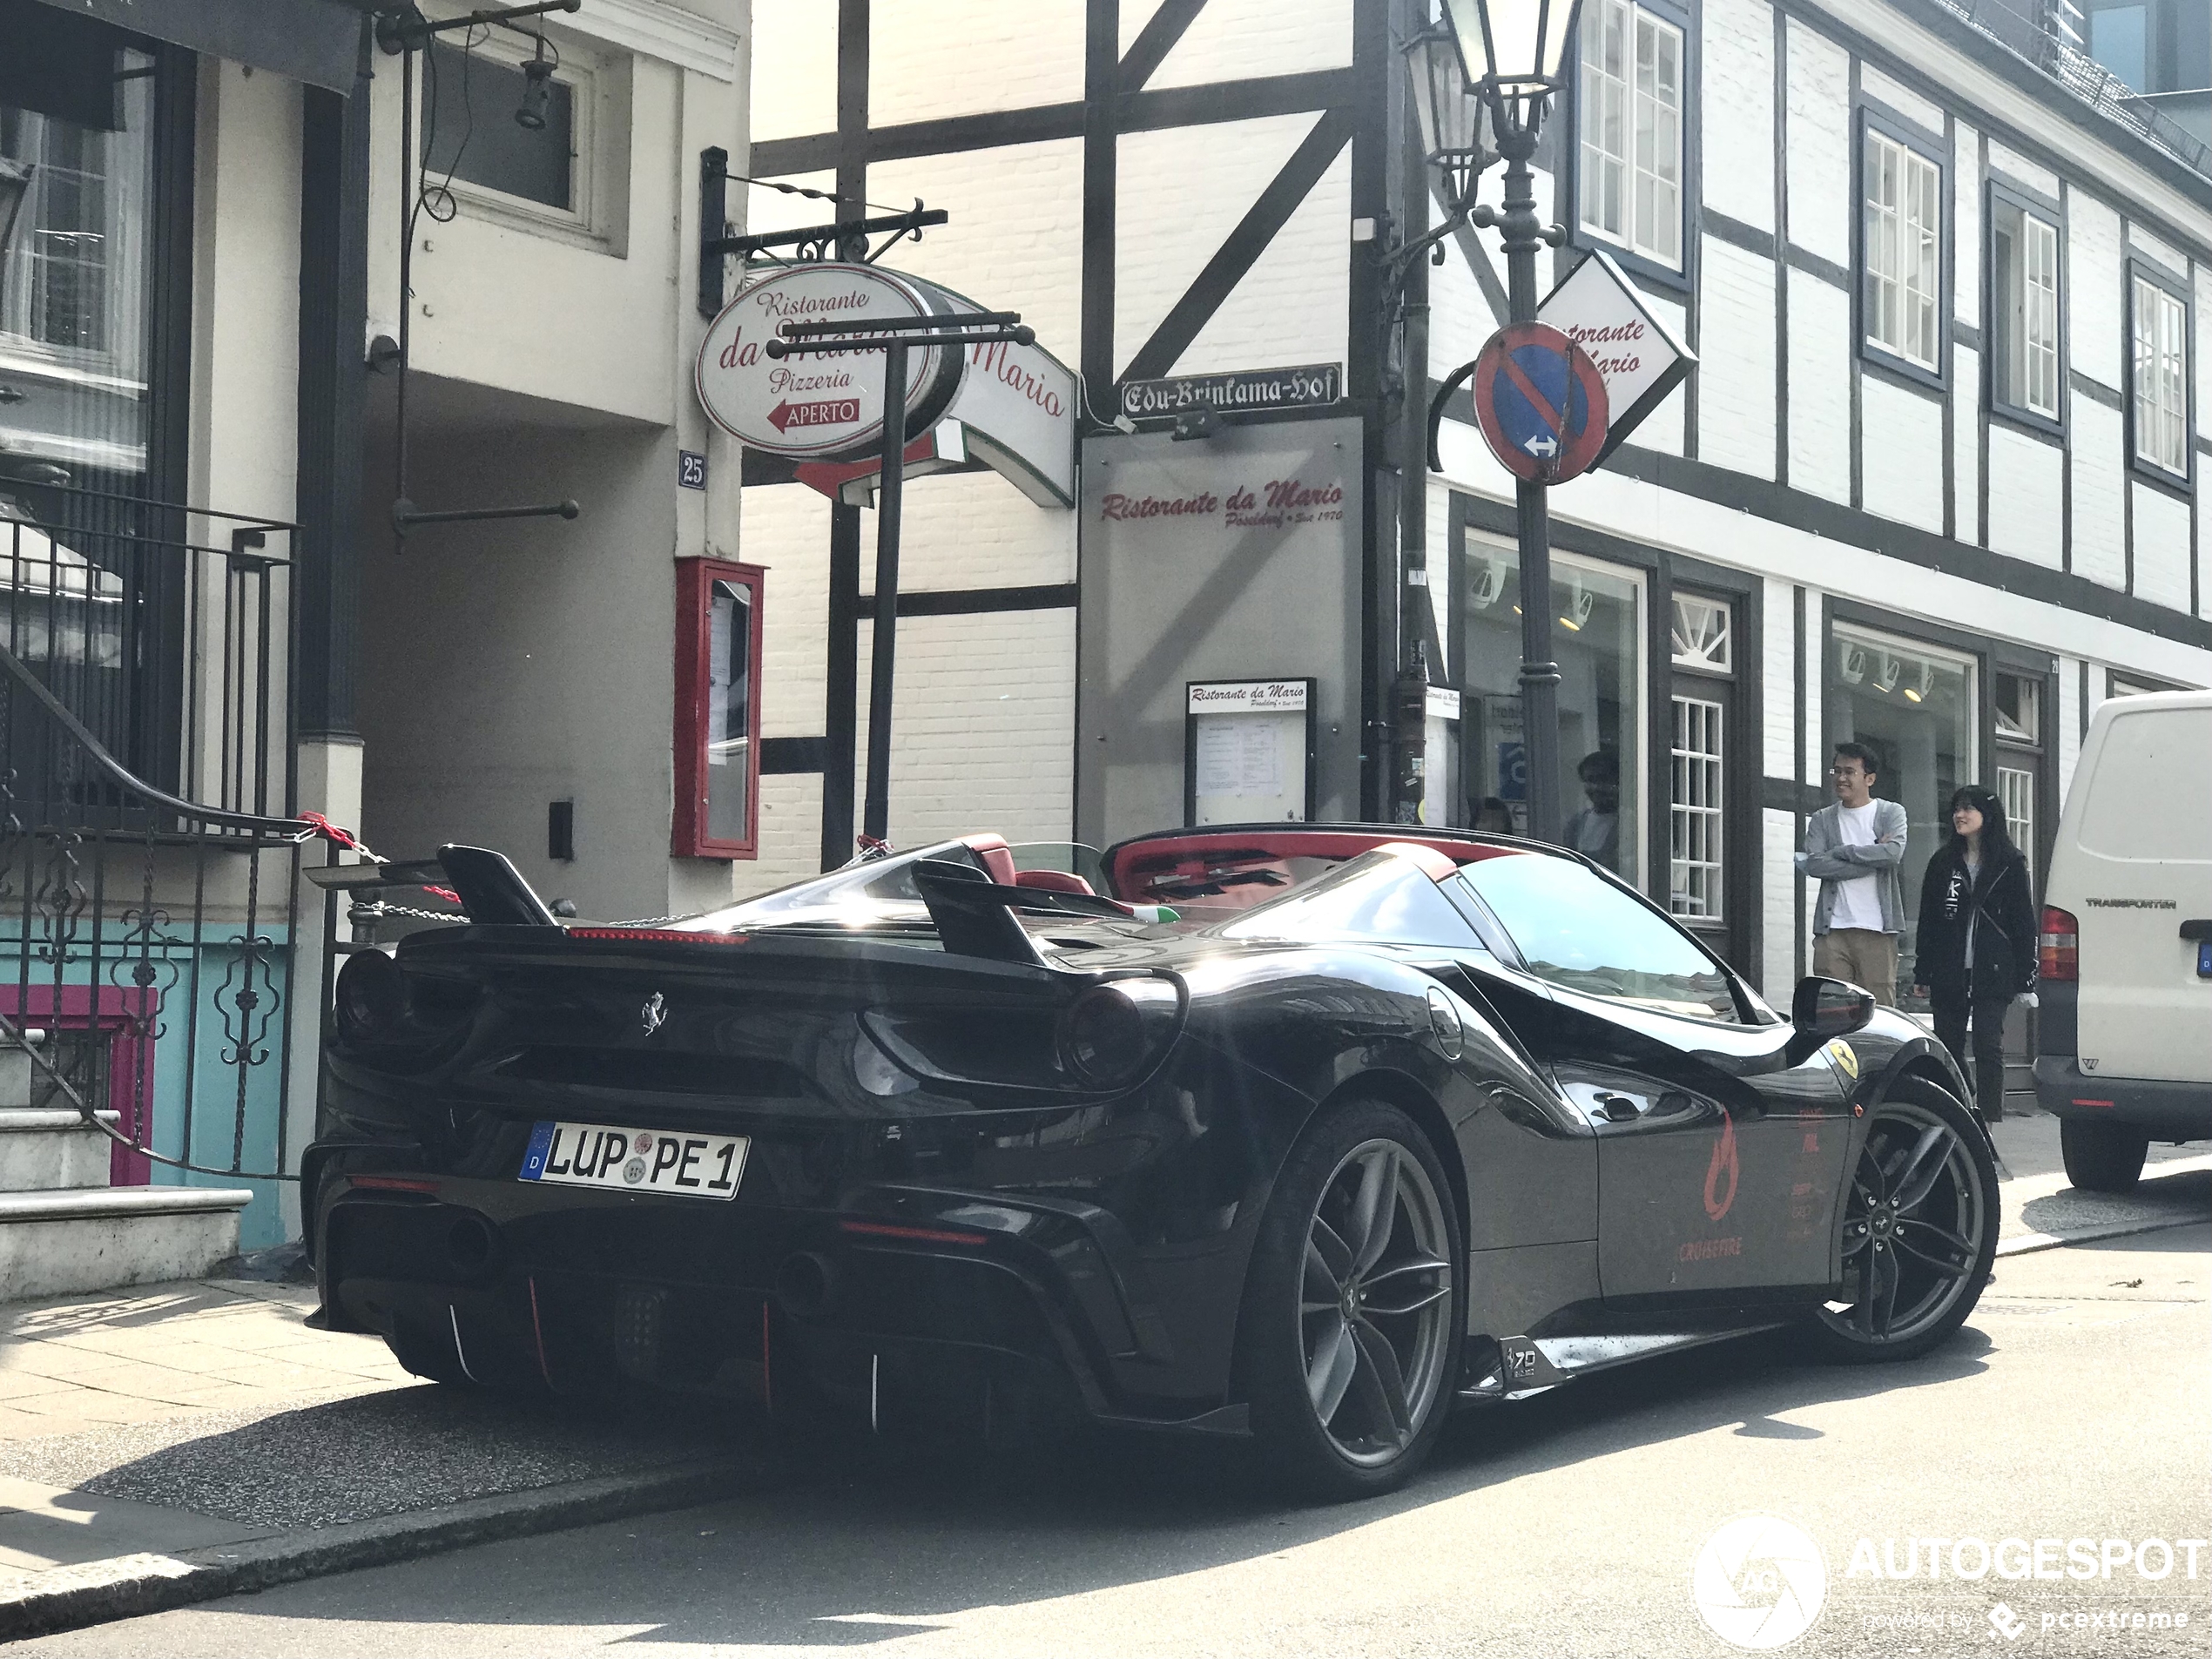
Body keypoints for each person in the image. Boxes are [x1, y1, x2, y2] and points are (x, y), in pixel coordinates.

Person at [1912, 786, 2037, 1120]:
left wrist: (2026, 975)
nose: (1960, 815)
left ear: (1987, 815)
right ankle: (1963, 1111)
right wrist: (1922, 972)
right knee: (1948, 1047)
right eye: (1956, 808)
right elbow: (1930, 920)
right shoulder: (1943, 863)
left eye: (1968, 809)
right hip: (1948, 969)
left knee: (1987, 1047)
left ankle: (1990, 1119)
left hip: (1993, 970)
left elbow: (2023, 922)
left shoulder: (2009, 863)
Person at [1797, 741, 1908, 1005]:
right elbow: (1814, 864)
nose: (1841, 778)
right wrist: (1872, 857)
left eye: (1849, 772)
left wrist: (1842, 851)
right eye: (1836, 771)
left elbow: (1893, 853)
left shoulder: (1890, 812)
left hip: (1878, 930)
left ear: (1869, 778)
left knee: (1879, 1008)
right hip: (1832, 930)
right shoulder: (1823, 819)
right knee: (1831, 1007)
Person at [1561, 751, 1620, 871]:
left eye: (1603, 780)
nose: (1596, 787)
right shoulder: (1576, 823)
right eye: (1590, 781)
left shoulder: (1629, 824)